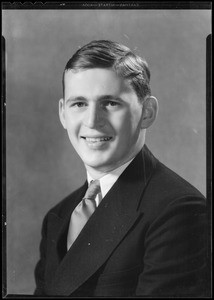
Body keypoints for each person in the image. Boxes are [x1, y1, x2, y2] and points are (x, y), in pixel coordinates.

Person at [34, 40, 209, 297]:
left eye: (111, 103)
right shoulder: (58, 216)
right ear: (63, 114)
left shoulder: (179, 211)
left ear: (147, 112)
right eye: (79, 104)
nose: (92, 121)